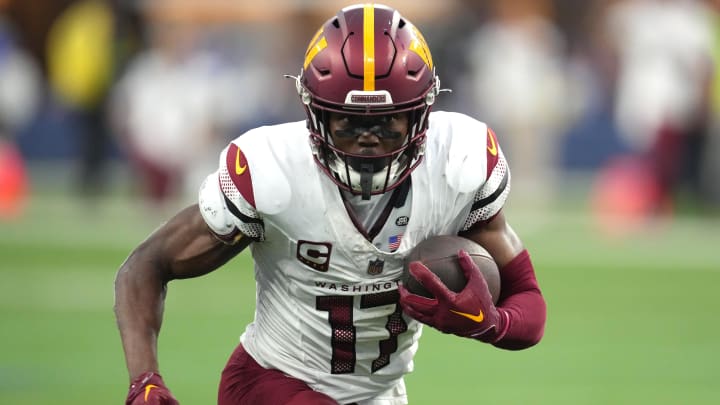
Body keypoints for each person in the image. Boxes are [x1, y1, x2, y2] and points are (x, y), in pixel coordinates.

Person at [114, 4, 546, 405]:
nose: (368, 138)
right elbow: (145, 266)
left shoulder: (460, 163)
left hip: (380, 393)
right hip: (275, 381)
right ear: (314, 114)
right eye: (348, 122)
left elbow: (530, 306)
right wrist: (144, 381)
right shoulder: (272, 172)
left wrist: (491, 322)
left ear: (422, 115)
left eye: (387, 121)